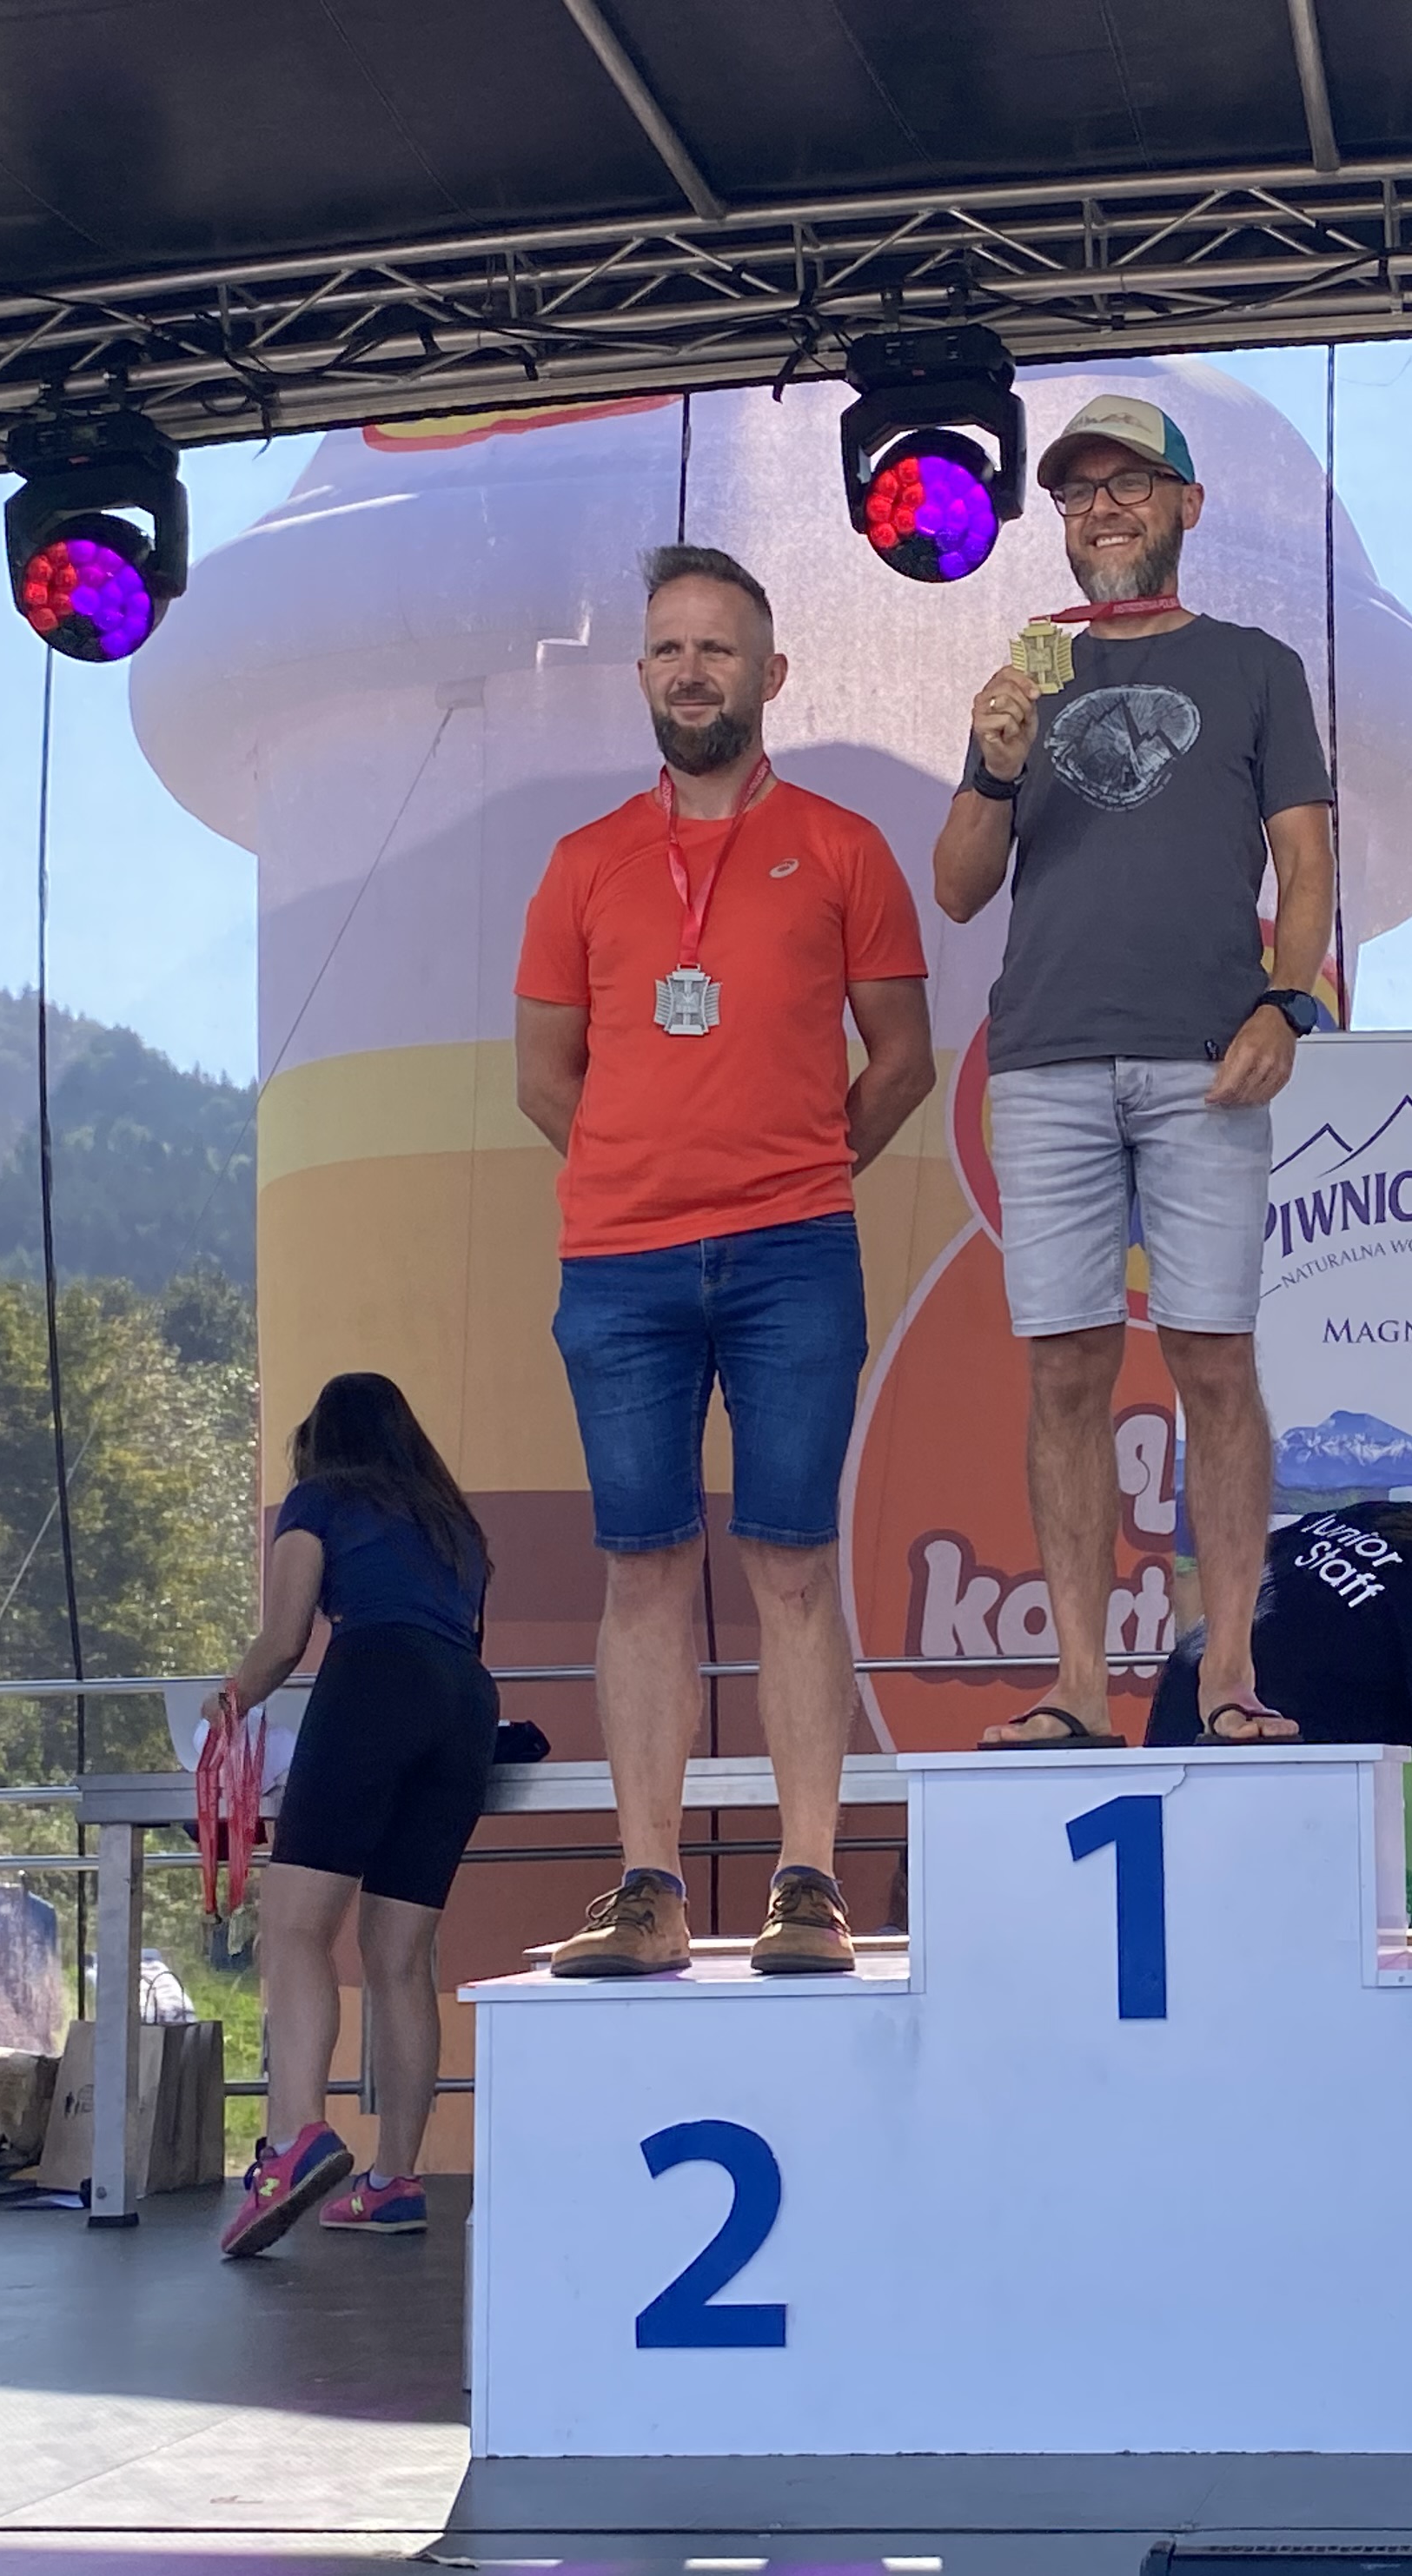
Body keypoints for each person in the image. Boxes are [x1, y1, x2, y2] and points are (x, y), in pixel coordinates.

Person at [514, 544, 935, 1979]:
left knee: (793, 1561)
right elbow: (543, 1077)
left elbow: (901, 1059)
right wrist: (644, 1170)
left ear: (771, 674)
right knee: (640, 1568)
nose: (690, 671)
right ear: (642, 673)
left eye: (716, 648)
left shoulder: (843, 847)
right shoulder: (583, 862)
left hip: (792, 1255)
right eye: (668, 648)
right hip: (619, 1266)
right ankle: (647, 1887)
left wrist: (793, 1172)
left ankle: (806, 1882)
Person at [932, 394, 1336, 1754]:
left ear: (1185, 506)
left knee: (1214, 1362)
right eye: (1078, 492)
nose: (1100, 511)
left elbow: (1307, 860)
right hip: (1046, 1062)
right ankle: (1076, 1686)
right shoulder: (1026, 669)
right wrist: (995, 771)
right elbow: (957, 886)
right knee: (1065, 1372)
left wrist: (1289, 1002)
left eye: (1128, 486)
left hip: (1207, 1061)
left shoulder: (1256, 665)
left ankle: (1229, 1674)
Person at [209, 1374, 503, 2255]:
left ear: (323, 1441)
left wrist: (227, 1705)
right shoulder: (456, 1527)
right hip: (466, 1706)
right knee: (400, 1956)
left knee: (293, 1926)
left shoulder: (319, 1499)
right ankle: (394, 2183)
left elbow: (284, 1639)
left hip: (374, 1679)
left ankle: (295, 2139)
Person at [1146, 1444, 1412, 1924]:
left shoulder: (1375, 1516)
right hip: (1270, 1749)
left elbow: (1213, 1585)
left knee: (1186, 1925)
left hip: (1189, 1695)